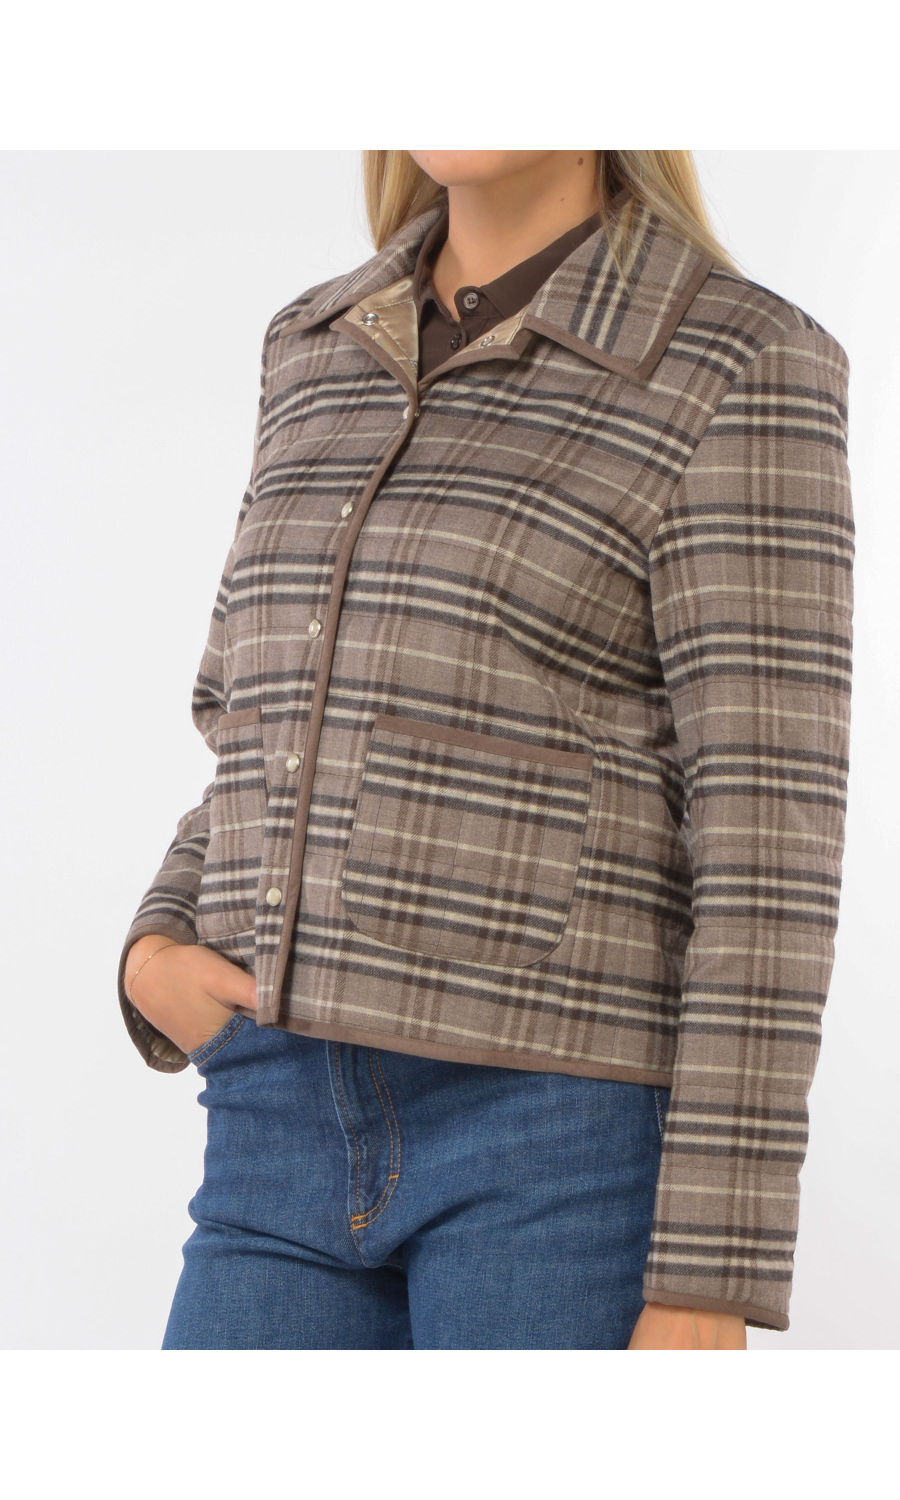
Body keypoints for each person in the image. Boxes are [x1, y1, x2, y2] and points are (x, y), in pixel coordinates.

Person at [119, 151, 853, 1350]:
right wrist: (155, 944)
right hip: (274, 1110)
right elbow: (251, 712)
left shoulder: (736, 358)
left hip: (554, 1136)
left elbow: (767, 841)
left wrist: (709, 1274)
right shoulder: (314, 342)